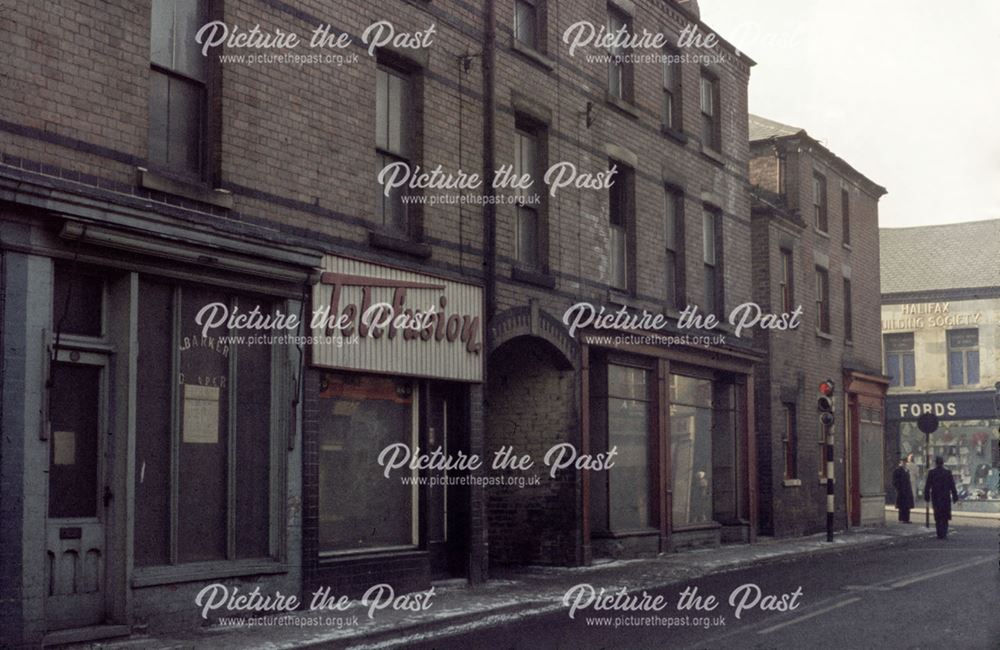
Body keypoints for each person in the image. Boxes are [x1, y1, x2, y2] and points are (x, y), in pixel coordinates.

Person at [924, 456, 959, 539]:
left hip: (936, 496)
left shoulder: (932, 473)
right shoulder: (947, 472)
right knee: (945, 515)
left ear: (936, 463)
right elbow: (952, 485)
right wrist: (955, 496)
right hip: (945, 496)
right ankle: (944, 532)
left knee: (938, 515)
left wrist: (927, 496)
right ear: (943, 463)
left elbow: (927, 486)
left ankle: (939, 532)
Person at [891, 457, 914, 523]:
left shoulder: (907, 470)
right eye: (903, 462)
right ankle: (901, 519)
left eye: (906, 462)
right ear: (901, 463)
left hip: (907, 490)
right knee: (902, 506)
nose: (905, 463)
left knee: (907, 506)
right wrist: (898, 488)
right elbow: (894, 481)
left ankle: (907, 519)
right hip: (901, 491)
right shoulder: (898, 470)